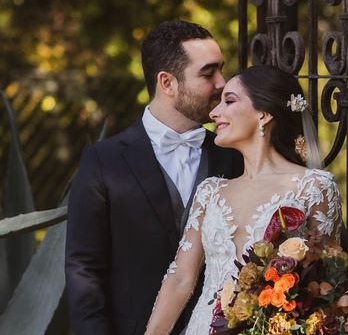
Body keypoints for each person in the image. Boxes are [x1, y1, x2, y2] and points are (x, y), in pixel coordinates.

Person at [65, 19, 244, 335]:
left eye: (221, 70)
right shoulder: (104, 161)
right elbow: (84, 269)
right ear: (167, 83)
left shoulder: (234, 157)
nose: (222, 83)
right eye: (208, 73)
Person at [144, 65, 342, 334]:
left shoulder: (314, 187)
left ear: (263, 114)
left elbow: (325, 282)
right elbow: (181, 278)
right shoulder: (210, 192)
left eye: (229, 101)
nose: (214, 113)